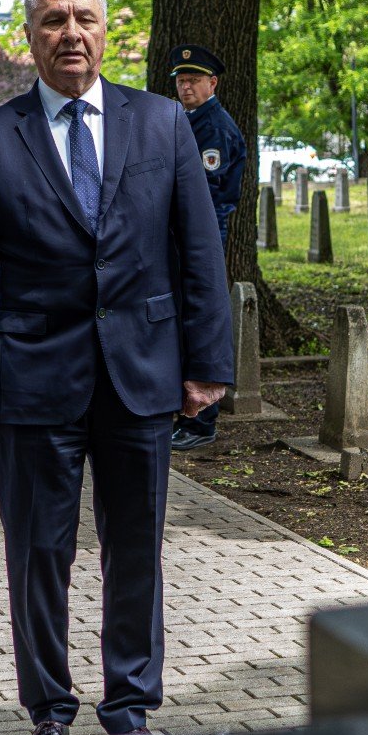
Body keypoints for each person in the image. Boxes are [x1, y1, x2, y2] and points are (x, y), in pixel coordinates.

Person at [0, 0, 234, 735]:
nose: (70, 34)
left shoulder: (164, 123)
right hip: (36, 378)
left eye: (84, 19)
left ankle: (130, 705)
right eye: (54, 21)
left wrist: (209, 364)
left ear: (106, 31)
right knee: (38, 553)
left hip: (142, 374)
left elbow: (200, 254)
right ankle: (50, 709)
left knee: (135, 546)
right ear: (30, 37)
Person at [166, 43, 246, 451]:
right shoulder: (187, 121)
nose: (186, 87)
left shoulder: (213, 127)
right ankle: (187, 414)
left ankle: (202, 422)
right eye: (181, 81)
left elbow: (210, 194)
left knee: (202, 319)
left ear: (212, 83)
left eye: (194, 80)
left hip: (203, 237)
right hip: (181, 235)